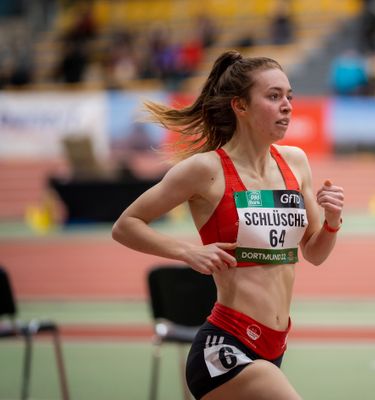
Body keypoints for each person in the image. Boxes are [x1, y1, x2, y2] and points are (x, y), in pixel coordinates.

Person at [111, 50, 344, 399]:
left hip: (274, 346)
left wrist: (332, 221)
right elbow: (126, 224)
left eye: (289, 97)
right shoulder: (206, 171)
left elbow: (314, 253)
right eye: (273, 96)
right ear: (241, 106)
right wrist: (189, 252)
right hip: (225, 347)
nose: (287, 106)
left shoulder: (295, 163)